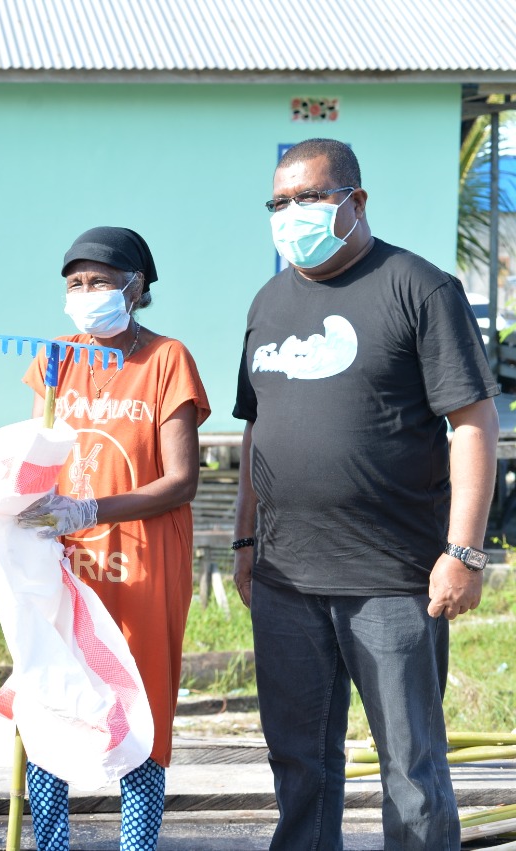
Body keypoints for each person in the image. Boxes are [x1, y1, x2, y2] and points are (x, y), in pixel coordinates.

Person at [232, 138, 499, 850]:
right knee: (299, 765)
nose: (293, 214)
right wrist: (244, 540)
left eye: (311, 198)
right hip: (287, 580)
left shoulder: (418, 287)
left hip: (393, 582)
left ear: (356, 201)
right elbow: (257, 429)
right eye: (280, 202)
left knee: (411, 770)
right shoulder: (268, 300)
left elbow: (473, 422)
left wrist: (464, 551)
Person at [16, 227, 210, 851]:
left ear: (137, 287)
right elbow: (36, 456)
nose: (85, 293)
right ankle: (50, 842)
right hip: (67, 567)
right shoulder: (56, 357)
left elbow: (181, 482)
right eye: (75, 284)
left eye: (100, 281)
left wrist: (92, 508)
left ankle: (138, 843)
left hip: (143, 566)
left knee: (141, 705)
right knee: (53, 700)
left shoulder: (166, 360)